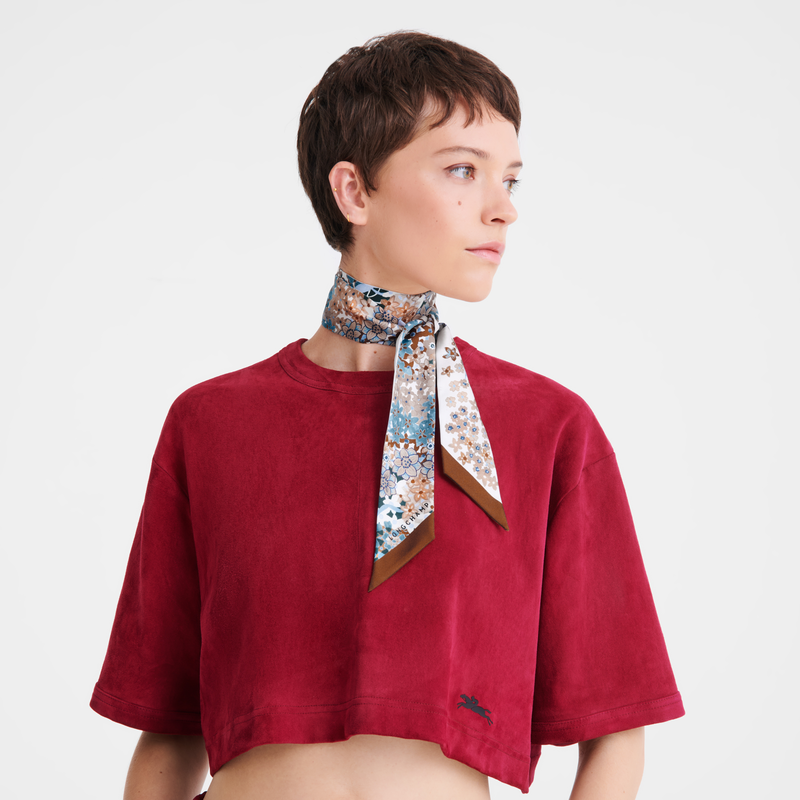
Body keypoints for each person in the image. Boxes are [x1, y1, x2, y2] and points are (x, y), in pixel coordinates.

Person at [90, 31, 684, 800]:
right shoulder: (209, 425)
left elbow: (617, 734)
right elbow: (169, 733)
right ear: (355, 192)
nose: (502, 210)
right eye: (463, 170)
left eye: (511, 179)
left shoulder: (549, 429)